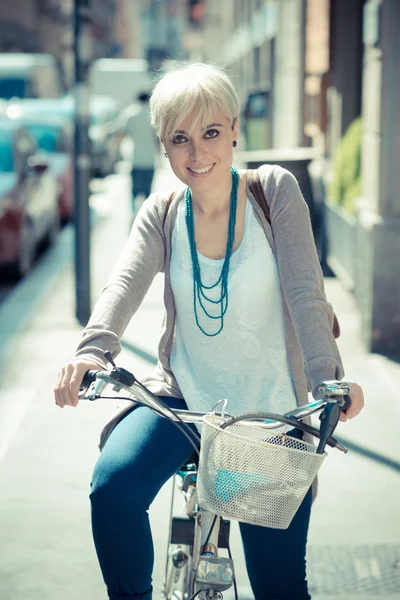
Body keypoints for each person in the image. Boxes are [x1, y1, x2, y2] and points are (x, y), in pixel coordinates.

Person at [54, 62, 364, 600]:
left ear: (235, 128)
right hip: (183, 404)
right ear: (164, 145)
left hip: (270, 414)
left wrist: (327, 380)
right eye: (180, 139)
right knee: (112, 490)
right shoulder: (164, 212)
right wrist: (92, 352)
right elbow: (121, 286)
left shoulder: (274, 193)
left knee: (279, 587)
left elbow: (306, 294)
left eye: (211, 133)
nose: (197, 154)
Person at [117, 91, 159, 213]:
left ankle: (133, 211)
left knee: (134, 189)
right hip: (149, 159)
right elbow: (157, 138)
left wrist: (119, 154)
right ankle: (146, 212)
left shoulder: (129, 114)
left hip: (134, 158)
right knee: (147, 188)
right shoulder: (153, 115)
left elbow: (121, 134)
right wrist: (160, 156)